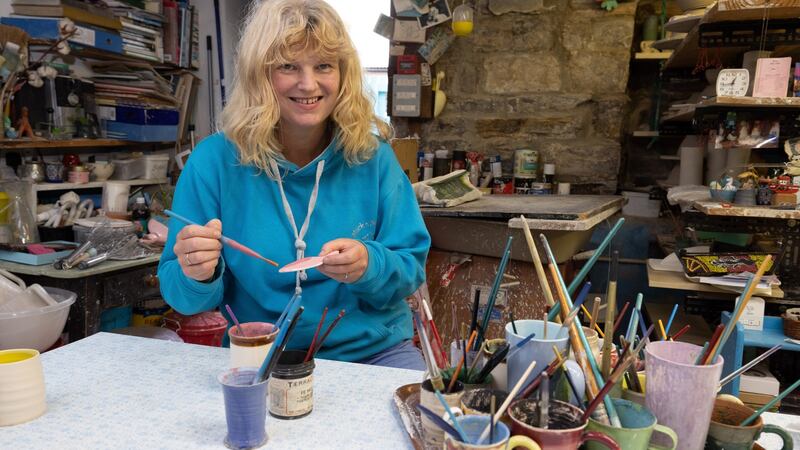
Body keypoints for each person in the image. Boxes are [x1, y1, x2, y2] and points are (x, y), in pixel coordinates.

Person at [158, 0, 431, 371]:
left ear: (343, 74)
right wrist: (196, 272)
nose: (308, 84)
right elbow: (183, 299)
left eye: (323, 66)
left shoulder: (373, 158)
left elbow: (410, 268)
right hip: (258, 353)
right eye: (288, 66)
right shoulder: (213, 162)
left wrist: (371, 264)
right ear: (260, 75)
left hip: (374, 354)